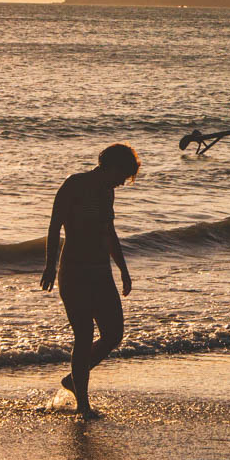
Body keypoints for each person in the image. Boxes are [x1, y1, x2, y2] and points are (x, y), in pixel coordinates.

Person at [40, 144, 140, 418]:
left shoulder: (107, 192)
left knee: (114, 333)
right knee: (83, 335)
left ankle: (74, 379)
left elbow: (109, 232)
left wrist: (123, 269)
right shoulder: (75, 184)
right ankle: (83, 406)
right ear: (110, 166)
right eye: (123, 174)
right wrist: (49, 265)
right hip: (74, 271)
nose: (123, 182)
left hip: (100, 271)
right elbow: (54, 225)